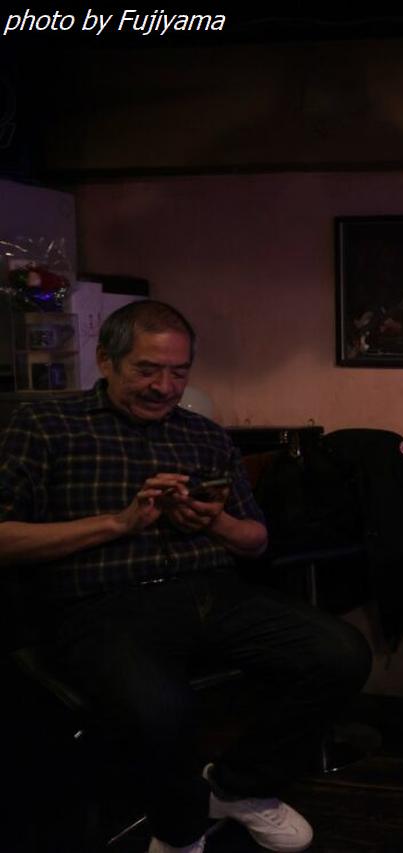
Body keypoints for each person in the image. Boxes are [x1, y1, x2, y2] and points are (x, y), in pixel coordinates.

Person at [0, 300, 372, 853]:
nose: (164, 387)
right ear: (106, 360)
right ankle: (179, 833)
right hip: (101, 602)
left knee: (341, 653)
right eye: (147, 370)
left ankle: (236, 787)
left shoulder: (205, 436)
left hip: (210, 593)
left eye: (179, 372)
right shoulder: (45, 425)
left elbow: (257, 540)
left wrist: (214, 522)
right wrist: (118, 523)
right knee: (162, 707)